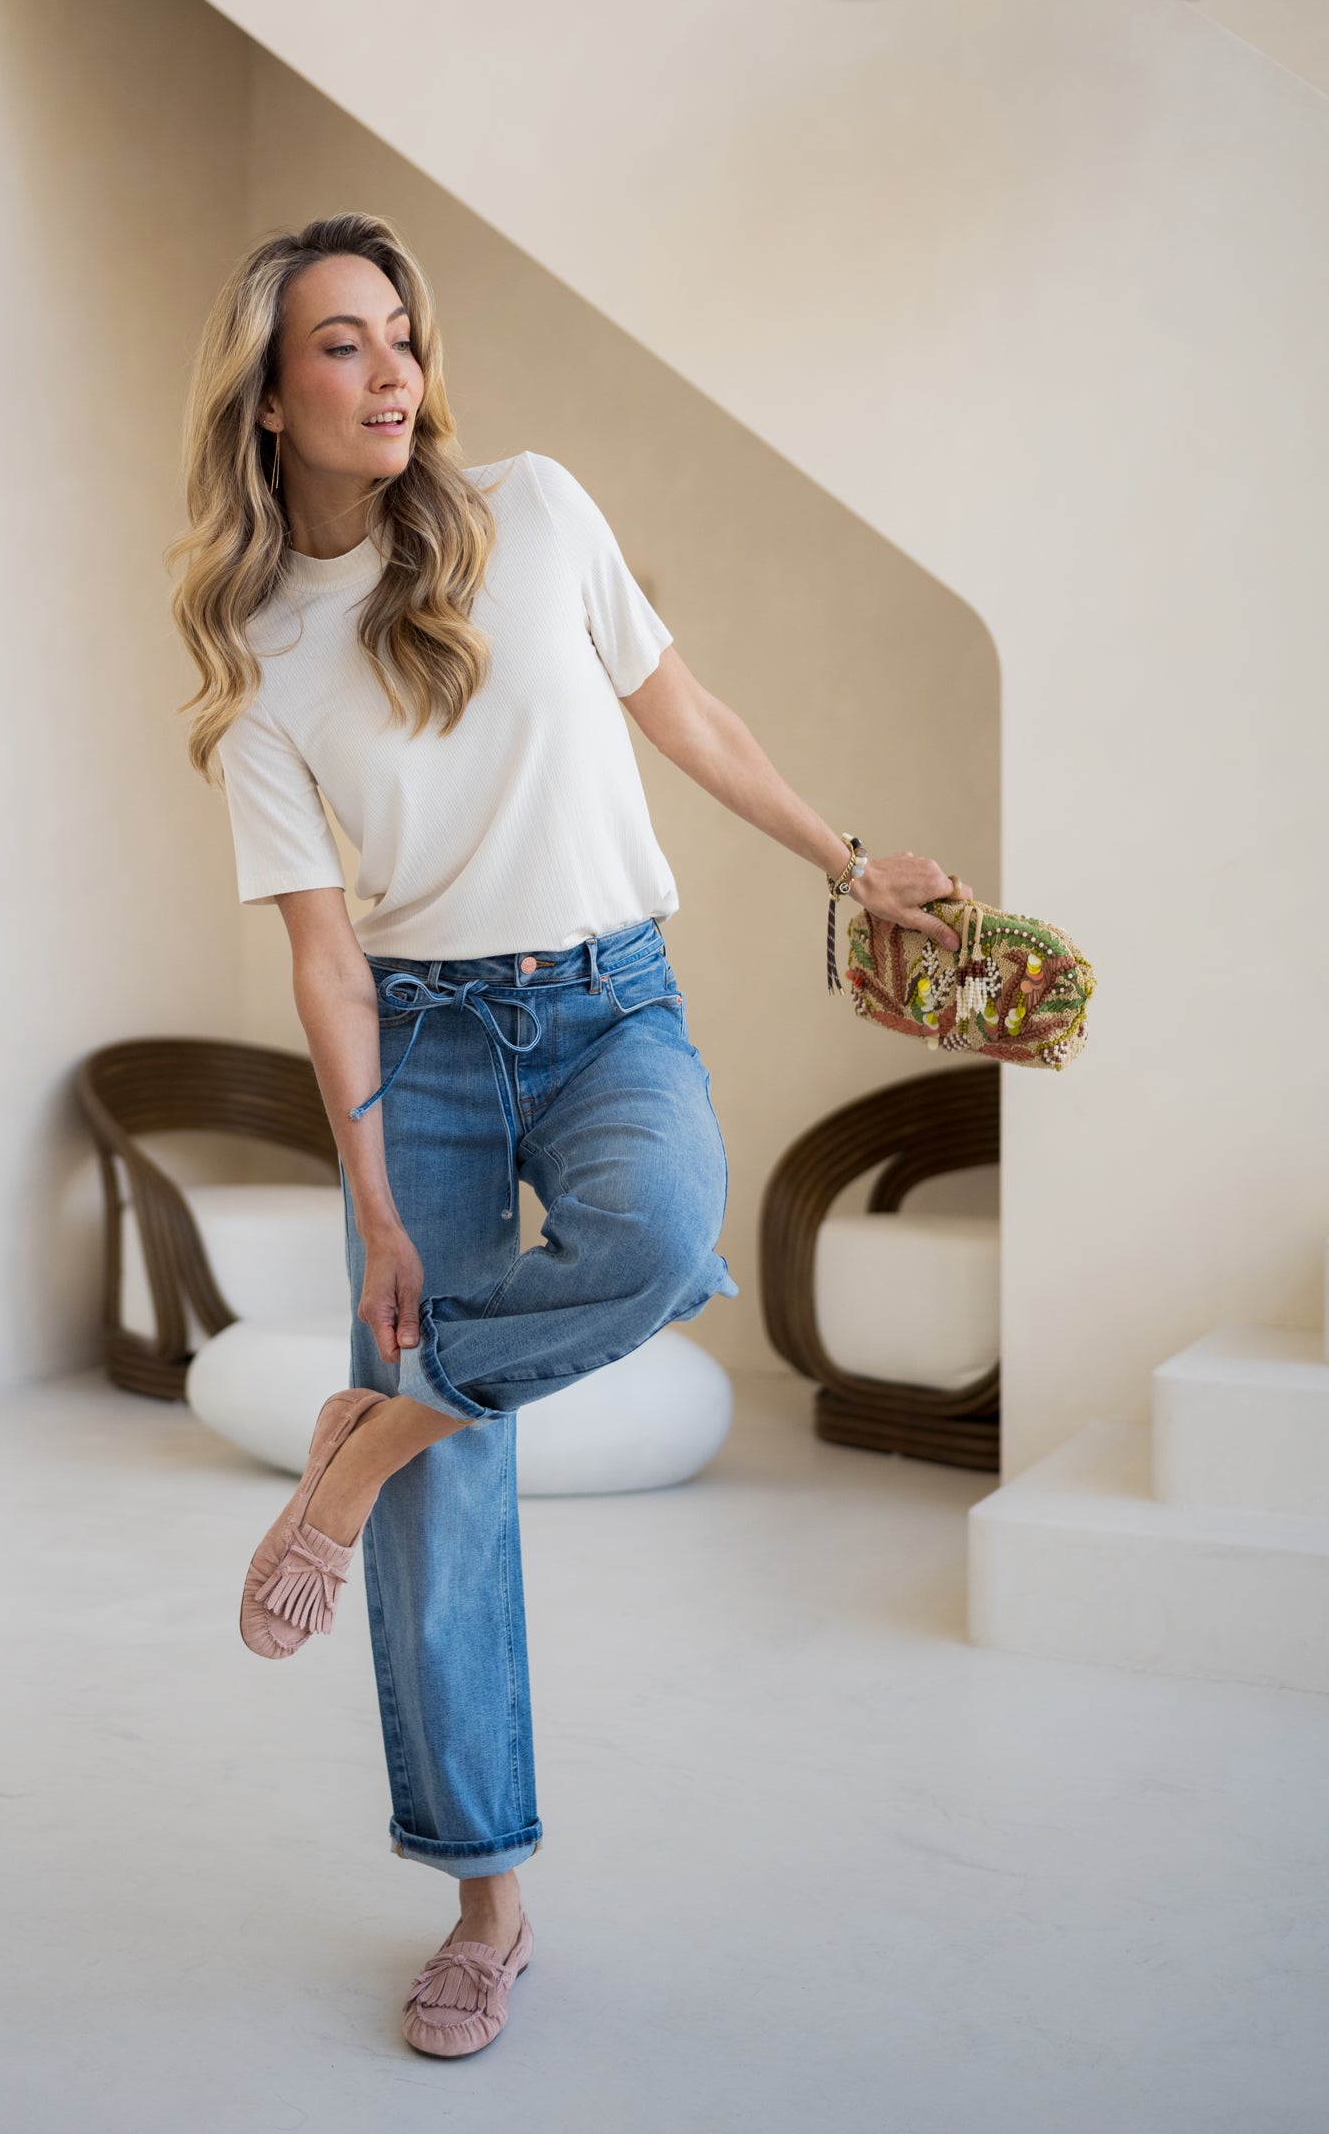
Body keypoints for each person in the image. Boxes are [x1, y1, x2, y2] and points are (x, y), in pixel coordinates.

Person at [166, 211, 970, 2058]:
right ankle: (485, 1906)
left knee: (660, 1242)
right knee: (461, 1466)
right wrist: (371, 1200)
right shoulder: (261, 660)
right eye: (342, 349)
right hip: (427, 1040)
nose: (391, 376)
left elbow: (683, 710)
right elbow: (325, 967)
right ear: (271, 405)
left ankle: (360, 1446)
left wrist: (857, 869)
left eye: (401, 339)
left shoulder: (535, 509)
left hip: (612, 1007)